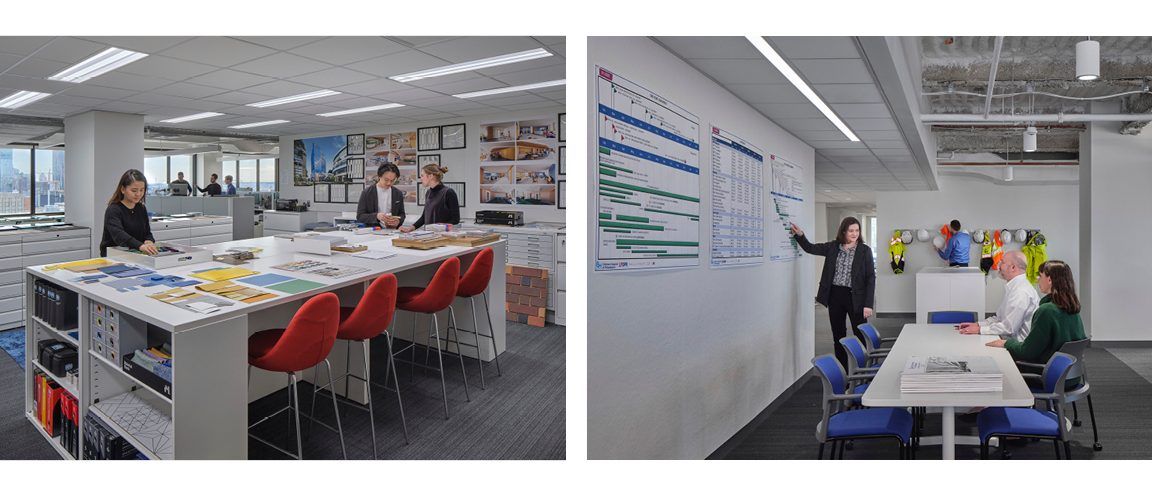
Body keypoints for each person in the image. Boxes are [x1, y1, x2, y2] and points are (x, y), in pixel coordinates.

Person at [791, 218, 876, 369]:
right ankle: (843, 371)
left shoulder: (864, 250)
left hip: (856, 297)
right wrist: (800, 235)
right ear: (843, 231)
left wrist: (868, 304)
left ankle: (863, 370)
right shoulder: (832, 247)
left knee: (861, 334)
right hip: (835, 296)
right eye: (851, 231)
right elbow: (810, 248)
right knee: (838, 336)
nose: (854, 234)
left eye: (857, 230)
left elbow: (870, 278)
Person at [986, 260, 1085, 383]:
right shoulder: (1072, 308)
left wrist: (1006, 343)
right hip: (1071, 376)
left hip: (1048, 376)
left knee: (997, 363)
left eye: (1041, 275)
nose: (1037, 279)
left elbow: (1027, 352)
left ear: (1050, 280)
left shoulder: (1047, 311)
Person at [956, 250, 1038, 341]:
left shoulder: (1021, 292)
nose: (998, 265)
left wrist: (980, 329)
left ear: (1013, 267)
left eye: (1002, 262)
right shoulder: (1015, 287)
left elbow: (1008, 328)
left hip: (1016, 349)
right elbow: (999, 318)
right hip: (1008, 341)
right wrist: (978, 325)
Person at [100, 169, 158, 257]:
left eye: (142, 190)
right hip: (114, 256)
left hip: (135, 255)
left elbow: (147, 232)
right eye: (134, 190)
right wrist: (140, 246)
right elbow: (119, 236)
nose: (138, 194)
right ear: (123, 189)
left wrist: (149, 241)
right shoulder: (113, 210)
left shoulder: (141, 208)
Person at [400, 163, 460, 232]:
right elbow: (424, 217)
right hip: (429, 234)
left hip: (443, 236)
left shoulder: (449, 192)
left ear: (431, 176)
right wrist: (411, 228)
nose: (420, 179)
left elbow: (455, 219)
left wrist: (438, 227)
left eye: (422, 176)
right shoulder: (428, 193)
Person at [356, 163, 406, 229]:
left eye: (392, 180)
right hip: (373, 233)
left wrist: (398, 221)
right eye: (386, 180)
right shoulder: (367, 193)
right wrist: (377, 216)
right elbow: (360, 216)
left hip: (392, 231)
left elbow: (402, 214)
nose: (389, 183)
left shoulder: (398, 193)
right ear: (379, 176)